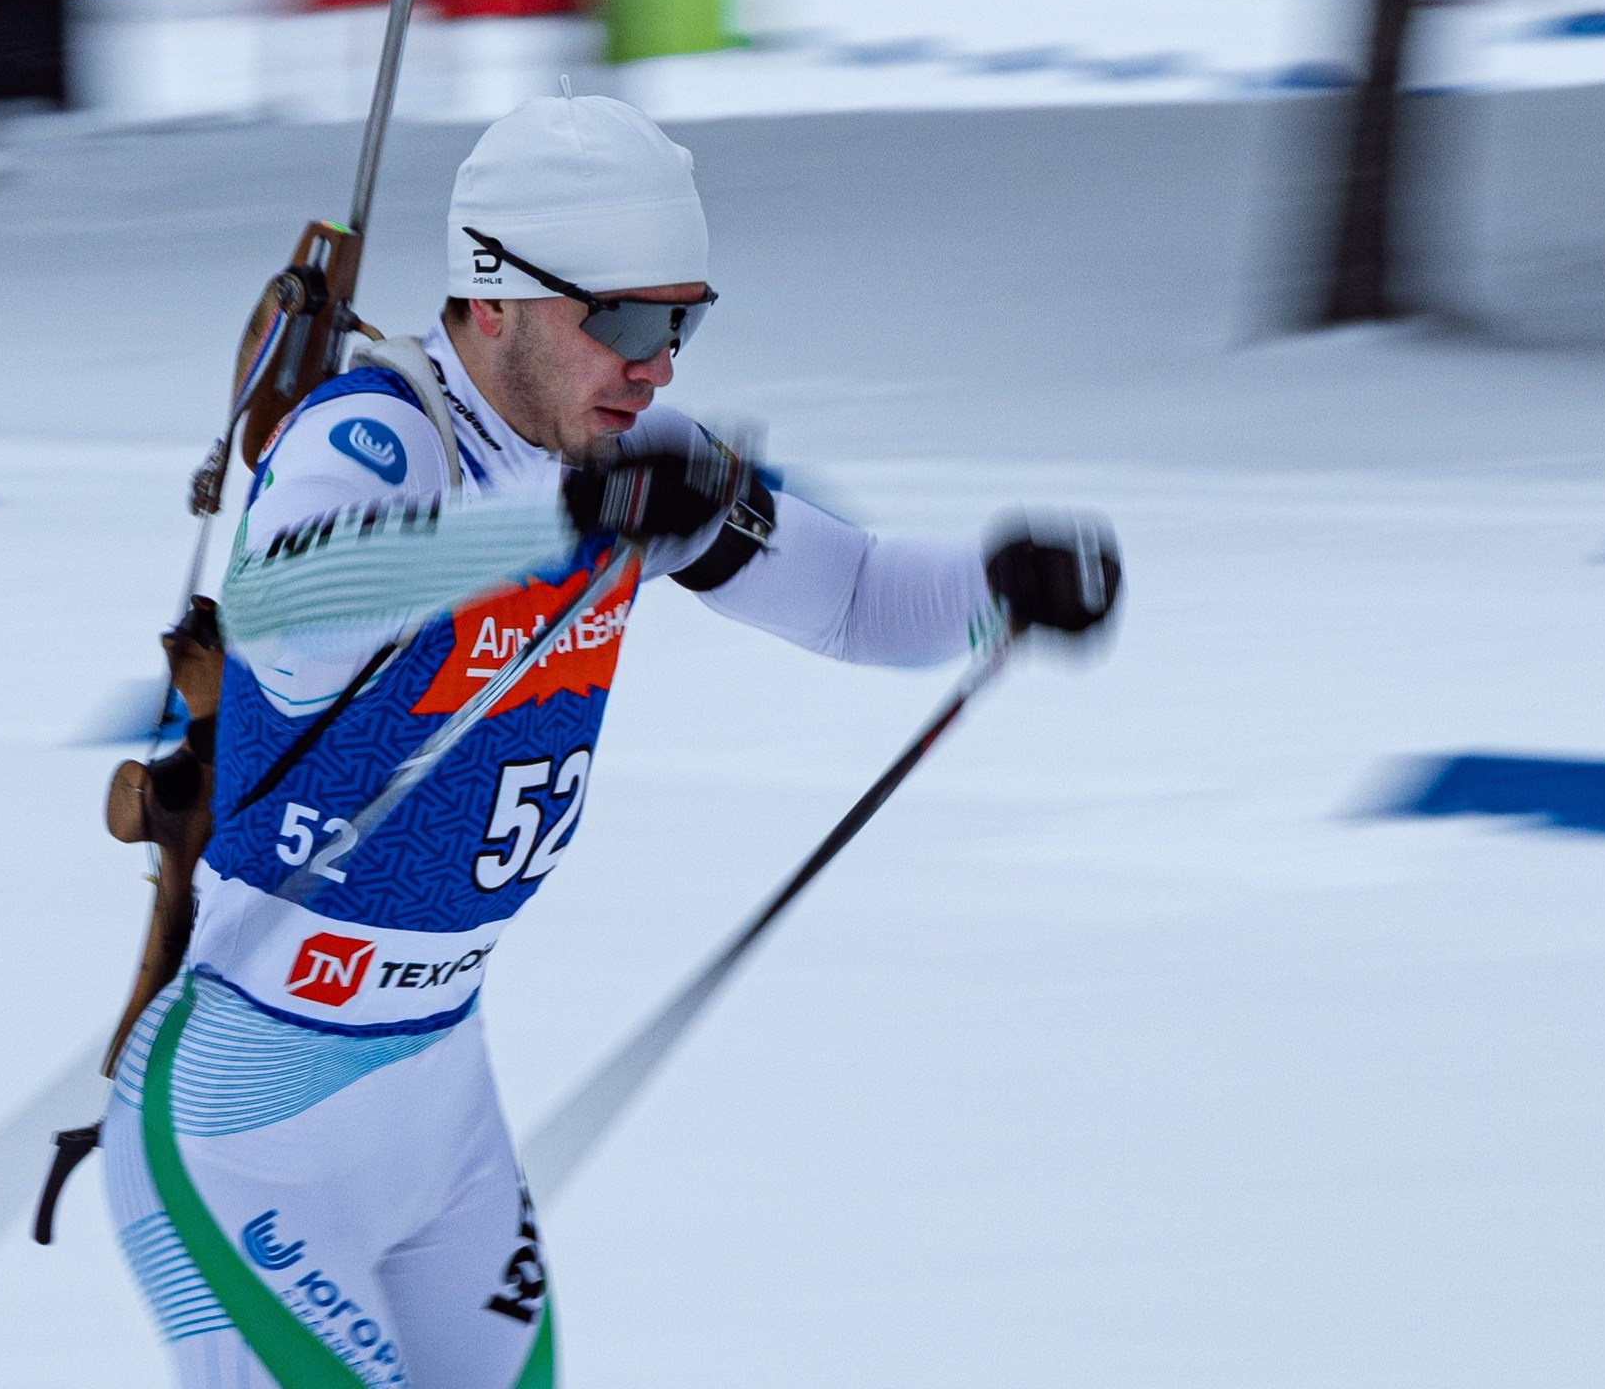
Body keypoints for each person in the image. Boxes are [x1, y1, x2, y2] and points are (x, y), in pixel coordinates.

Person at [99, 94, 1119, 1389]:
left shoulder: (641, 461)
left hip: (441, 1100)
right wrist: (564, 522)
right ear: (494, 297)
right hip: (247, 1119)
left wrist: (999, 585)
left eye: (682, 319)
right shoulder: (373, 438)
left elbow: (854, 597)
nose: (661, 363)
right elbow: (293, 607)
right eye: (626, 320)